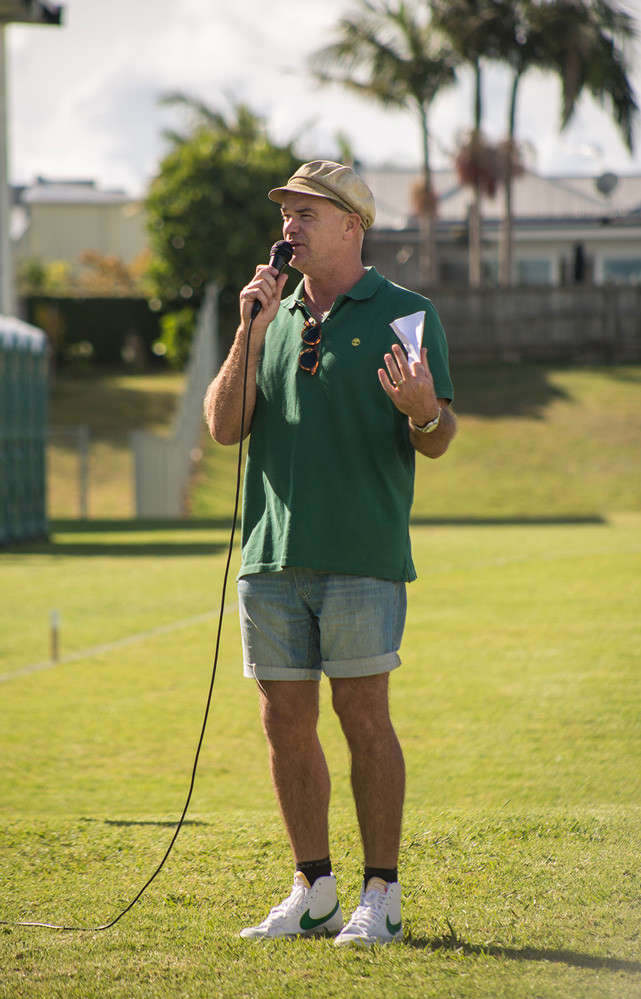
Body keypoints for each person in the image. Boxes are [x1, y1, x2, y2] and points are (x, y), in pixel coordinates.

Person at [204, 160, 456, 947]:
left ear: (352, 225)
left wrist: (421, 412)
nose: (289, 226)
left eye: (306, 213)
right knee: (284, 721)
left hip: (361, 553)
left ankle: (381, 892)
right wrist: (249, 326)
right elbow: (222, 426)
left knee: (363, 718)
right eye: (285, 213)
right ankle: (312, 887)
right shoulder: (267, 312)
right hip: (270, 557)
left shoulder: (406, 313)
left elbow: (440, 434)